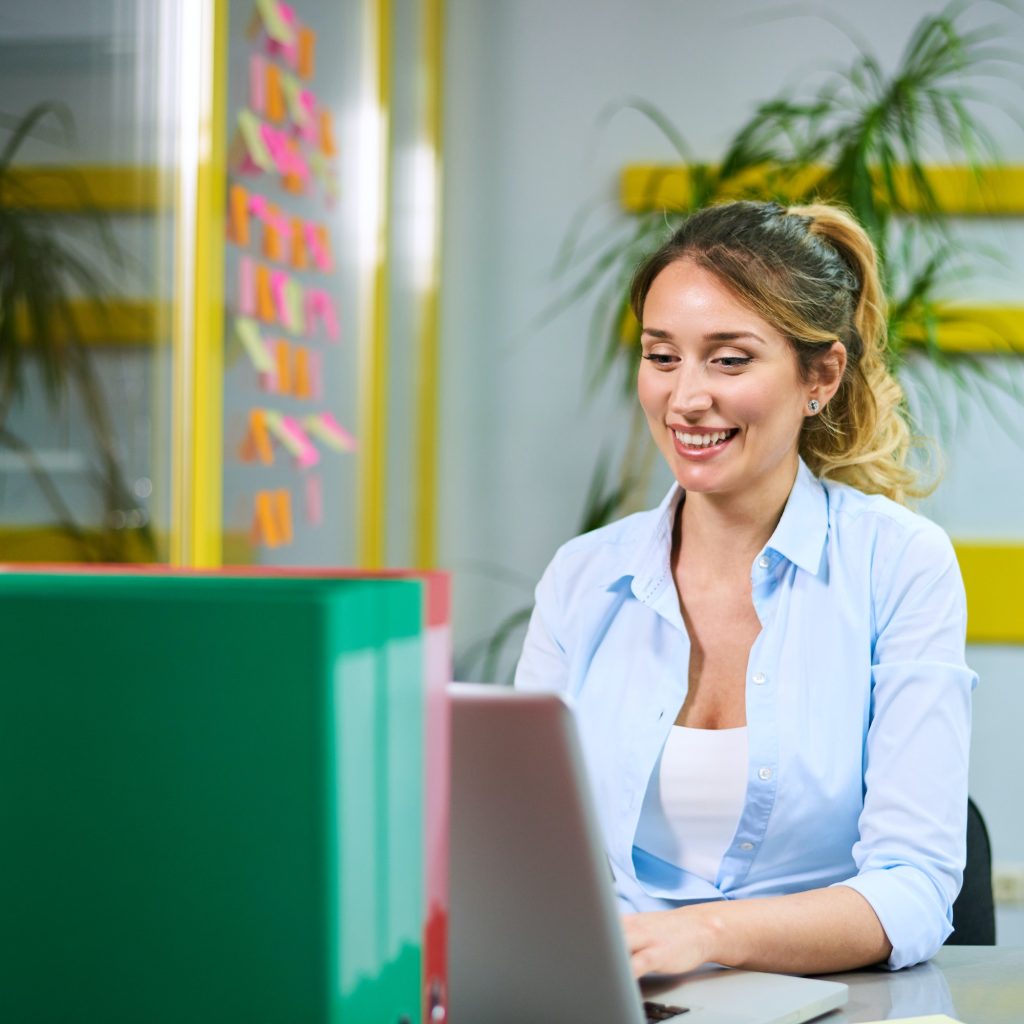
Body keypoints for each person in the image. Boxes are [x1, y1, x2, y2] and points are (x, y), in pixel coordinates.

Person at [514, 200, 976, 976]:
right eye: (663, 357)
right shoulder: (584, 577)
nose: (687, 397)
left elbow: (916, 887)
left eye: (728, 360)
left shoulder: (899, 565)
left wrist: (705, 935)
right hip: (614, 1000)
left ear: (819, 375)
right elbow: (521, 850)